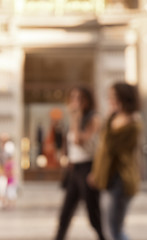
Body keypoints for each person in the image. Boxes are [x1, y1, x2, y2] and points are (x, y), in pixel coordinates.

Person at [88, 82, 141, 240]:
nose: (110, 100)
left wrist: (109, 119)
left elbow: (111, 148)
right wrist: (96, 174)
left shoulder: (133, 123)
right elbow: (102, 151)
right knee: (109, 229)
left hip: (120, 179)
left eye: (113, 96)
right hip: (109, 179)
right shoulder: (115, 119)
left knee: (114, 230)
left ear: (123, 98)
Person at [54, 87, 105, 240]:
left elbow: (79, 140)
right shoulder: (75, 118)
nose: (75, 102)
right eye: (73, 98)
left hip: (88, 168)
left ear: (87, 100)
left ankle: (104, 236)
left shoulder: (93, 118)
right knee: (65, 213)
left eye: (79, 98)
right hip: (75, 169)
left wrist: (75, 117)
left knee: (93, 215)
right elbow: (69, 143)